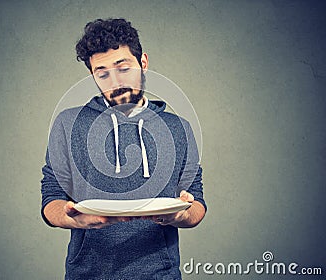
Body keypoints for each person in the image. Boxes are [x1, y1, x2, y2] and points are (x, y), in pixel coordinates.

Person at [41, 18, 207, 279]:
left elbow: (196, 206)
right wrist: (73, 219)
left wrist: (178, 215)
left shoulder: (179, 128)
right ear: (92, 75)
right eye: (103, 73)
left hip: (160, 274)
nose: (115, 81)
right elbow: (51, 198)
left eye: (123, 67)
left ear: (143, 63)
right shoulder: (68, 123)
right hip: (87, 274)